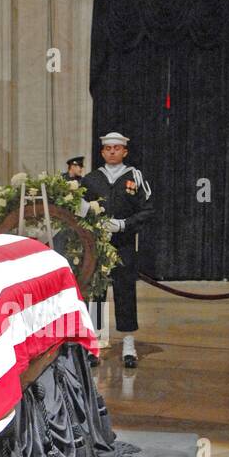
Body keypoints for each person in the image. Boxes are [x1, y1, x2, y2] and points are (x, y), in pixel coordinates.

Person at [82, 132, 154, 368]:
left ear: (125, 151)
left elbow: (148, 210)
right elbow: (78, 210)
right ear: (102, 152)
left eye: (117, 148)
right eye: (108, 148)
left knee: (125, 292)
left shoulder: (134, 177)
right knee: (97, 295)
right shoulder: (91, 179)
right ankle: (95, 344)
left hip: (123, 245)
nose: (112, 152)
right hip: (98, 246)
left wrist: (124, 224)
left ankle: (128, 345)